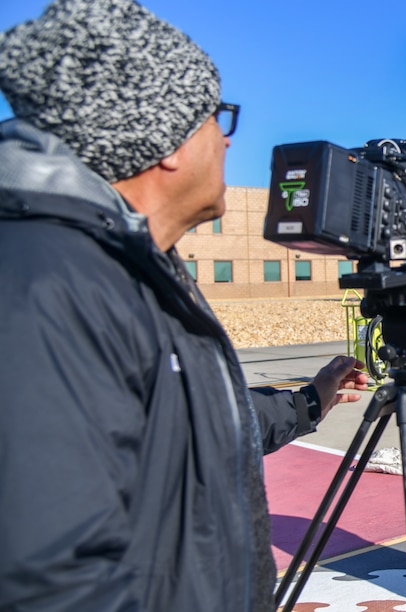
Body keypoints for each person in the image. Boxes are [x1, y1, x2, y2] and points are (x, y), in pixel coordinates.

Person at [0, 1, 368, 610]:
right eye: (215, 120)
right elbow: (52, 579)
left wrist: (310, 400)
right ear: (167, 140)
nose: (225, 141)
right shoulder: (46, 284)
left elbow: (183, 428)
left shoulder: (131, 267)